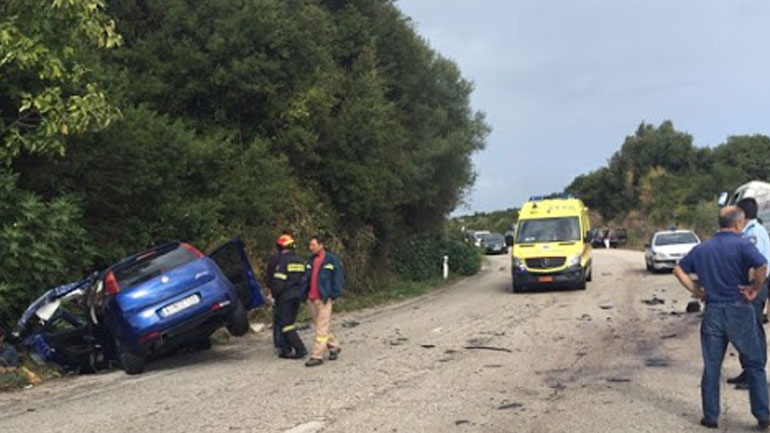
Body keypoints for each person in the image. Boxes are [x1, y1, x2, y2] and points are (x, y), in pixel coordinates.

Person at [673, 206, 769, 430]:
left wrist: (697, 292)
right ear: (738, 223)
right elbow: (762, 266)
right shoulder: (743, 245)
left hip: (713, 310)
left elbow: (678, 270)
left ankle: (711, 417)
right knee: (754, 364)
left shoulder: (702, 248)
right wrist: (755, 288)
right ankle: (763, 415)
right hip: (739, 309)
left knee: (712, 366)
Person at [728, 198, 770, 390]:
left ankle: (755, 374)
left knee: (753, 330)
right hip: (751, 286)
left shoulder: (754, 233)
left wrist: (752, 287)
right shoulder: (749, 231)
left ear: (742, 214)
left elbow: (756, 264)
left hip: (755, 287)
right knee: (746, 329)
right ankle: (748, 370)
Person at [303, 235, 344, 368]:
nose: (311, 248)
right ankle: (334, 346)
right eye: (310, 245)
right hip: (312, 298)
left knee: (321, 327)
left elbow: (338, 278)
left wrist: (334, 295)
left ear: (321, 245)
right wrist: (304, 294)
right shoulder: (310, 261)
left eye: (313, 245)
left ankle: (317, 356)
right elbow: (305, 278)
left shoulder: (331, 260)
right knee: (320, 326)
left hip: (324, 299)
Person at [271, 234, 308, 359]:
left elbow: (279, 282)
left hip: (285, 297)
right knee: (290, 322)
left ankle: (299, 348)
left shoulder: (283, 261)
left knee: (286, 324)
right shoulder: (301, 261)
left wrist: (274, 295)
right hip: (298, 296)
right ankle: (286, 350)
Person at [265, 230, 295, 353]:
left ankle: (280, 344)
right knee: (288, 320)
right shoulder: (292, 259)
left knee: (278, 319)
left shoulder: (273, 260)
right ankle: (286, 344)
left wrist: (270, 292)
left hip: (277, 293)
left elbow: (268, 278)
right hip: (288, 293)